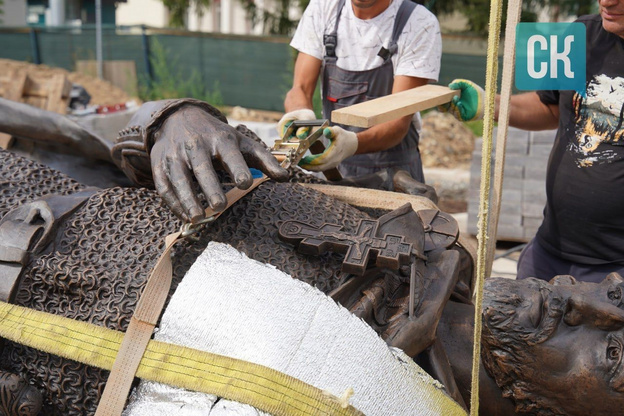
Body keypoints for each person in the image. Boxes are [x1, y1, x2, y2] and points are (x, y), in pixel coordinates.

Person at [1, 97, 624, 415]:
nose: (581, 296)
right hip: (27, 186)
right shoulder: (423, 235)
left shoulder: (370, 398)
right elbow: (101, 135)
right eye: (617, 291)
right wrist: (171, 119)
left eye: (614, 353)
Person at [445, 0, 624, 283]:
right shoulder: (583, 34)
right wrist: (488, 105)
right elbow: (550, 106)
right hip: (549, 252)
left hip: (615, 269)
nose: (607, 1)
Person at [280, 0, 442, 182]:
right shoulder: (323, 8)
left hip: (395, 175)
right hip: (331, 167)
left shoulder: (418, 23)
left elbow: (399, 122)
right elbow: (300, 88)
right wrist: (300, 115)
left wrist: (351, 144)